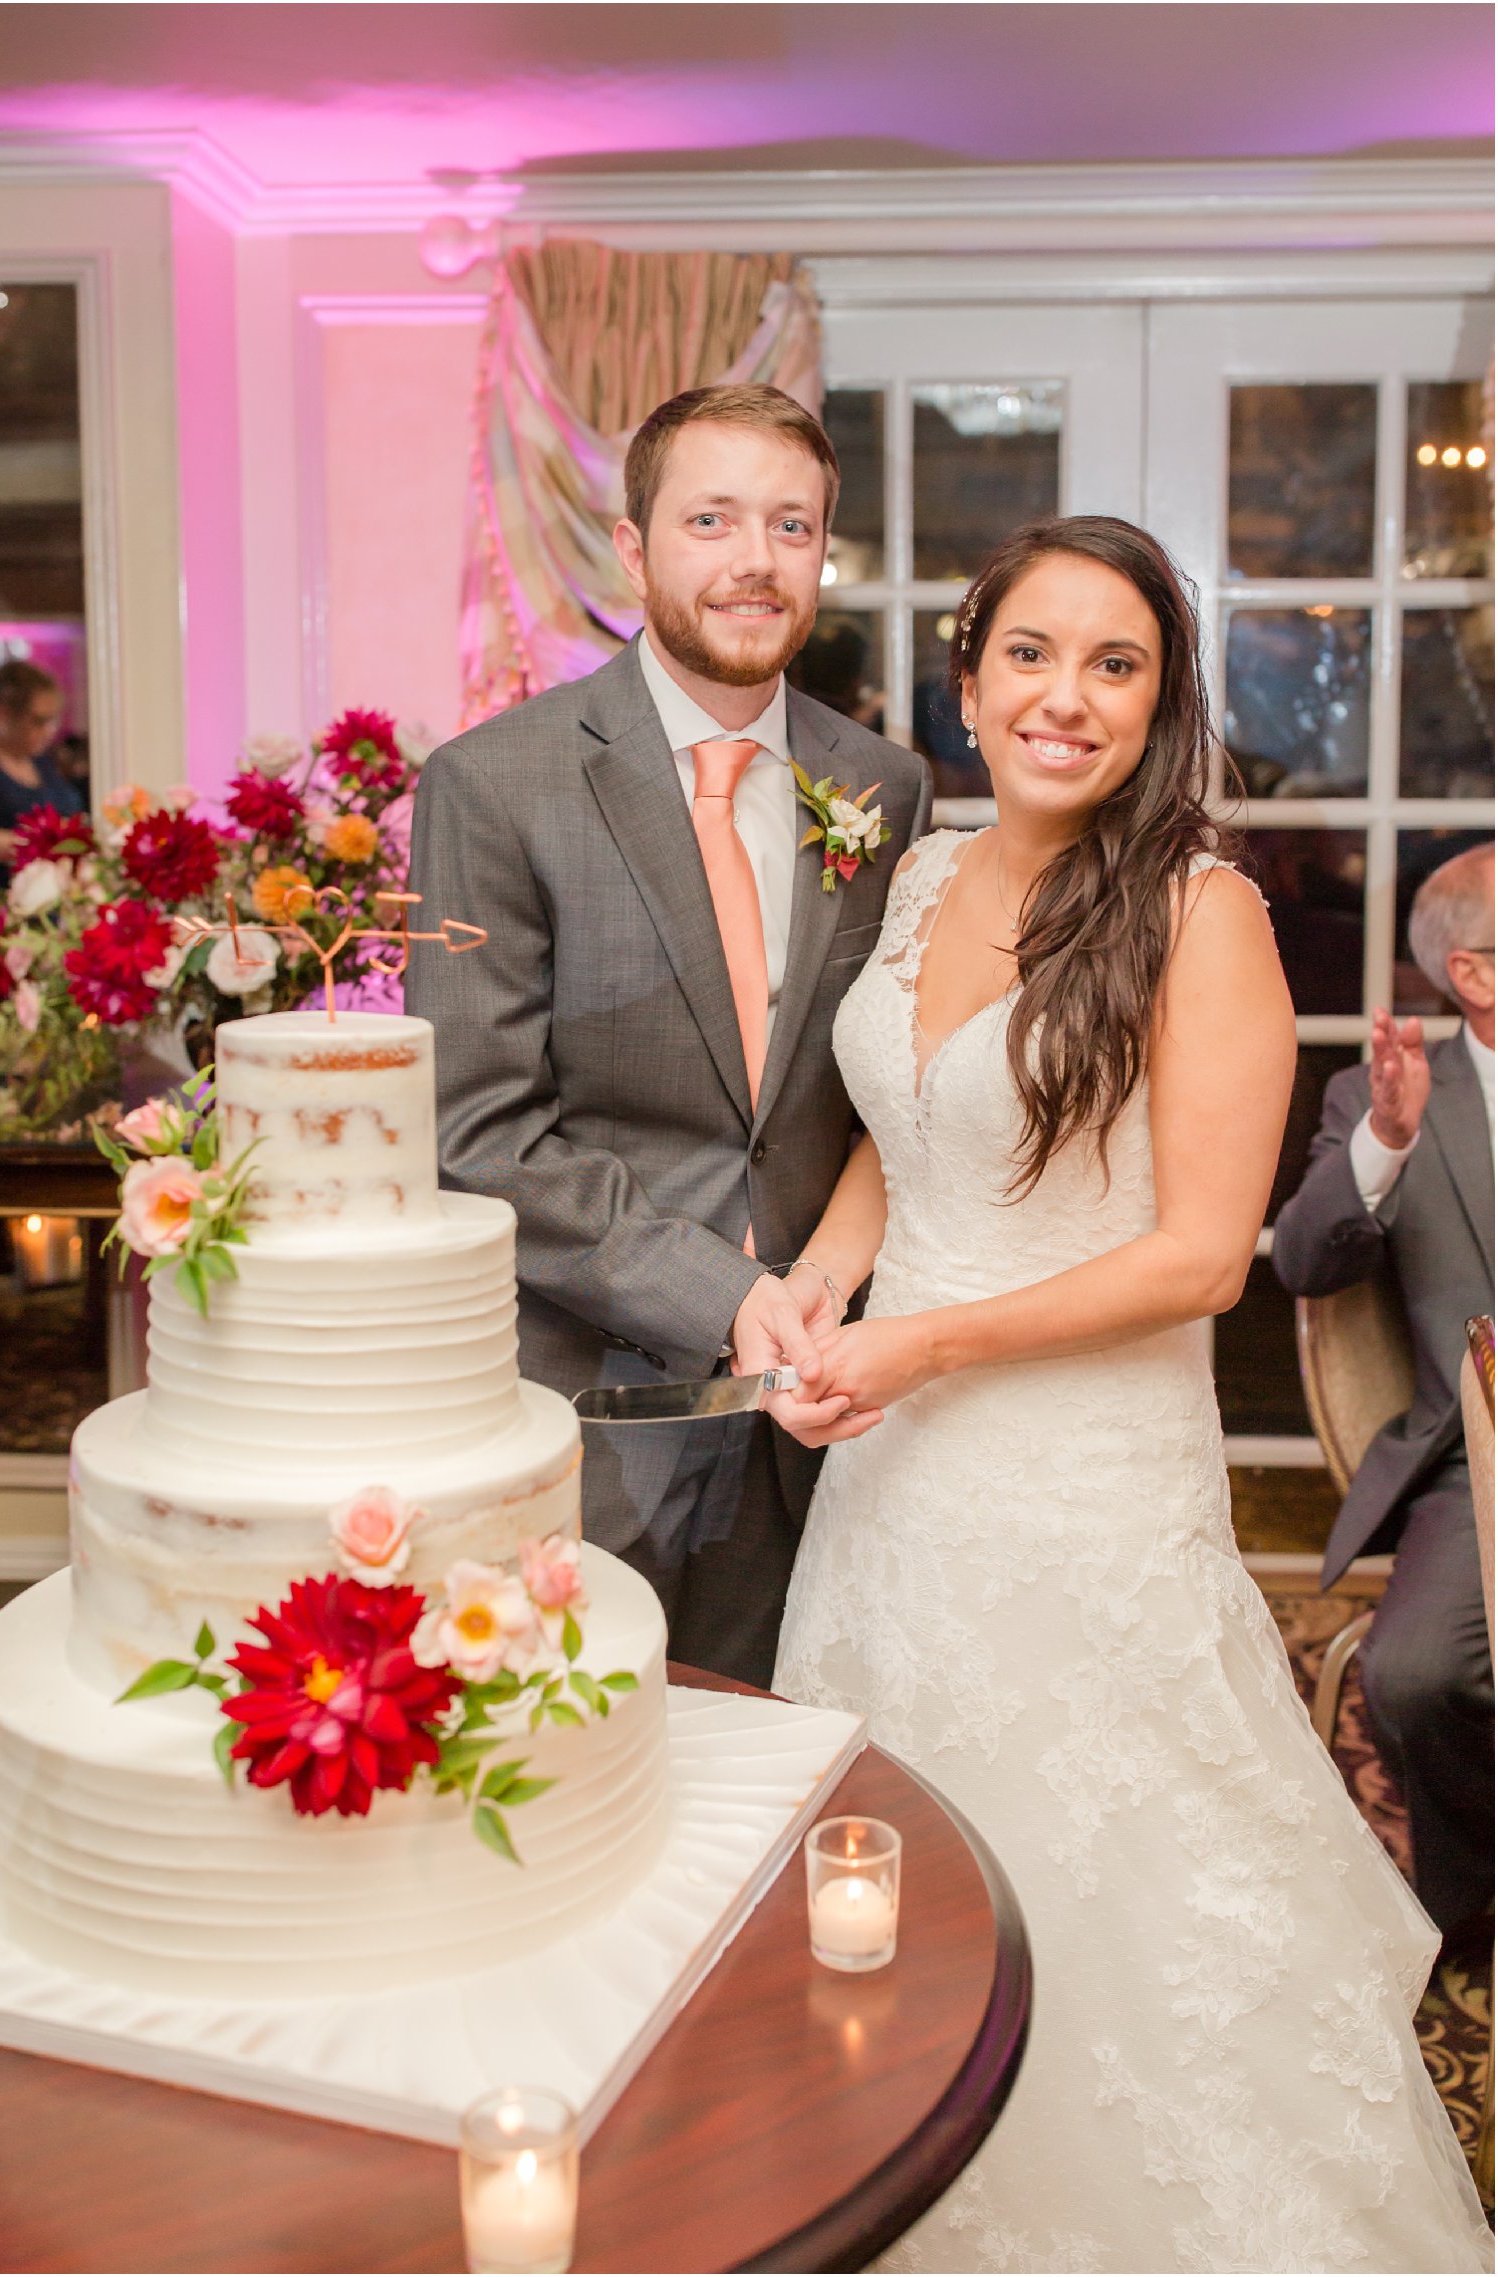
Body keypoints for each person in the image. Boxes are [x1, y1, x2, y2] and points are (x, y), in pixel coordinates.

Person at [771, 517, 1490, 2271]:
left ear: (1160, 705)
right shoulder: (925, 878)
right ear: (966, 677)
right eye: (1032, 654)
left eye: (1117, 666)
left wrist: (922, 1343)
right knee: (902, 1852)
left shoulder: (1201, 912)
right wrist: (823, 1277)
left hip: (1081, 1472)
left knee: (1114, 1878)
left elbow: (1200, 1260)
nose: (1066, 698)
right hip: (889, 1471)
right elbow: (905, 1132)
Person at [407, 383, 931, 1687]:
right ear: (635, 548)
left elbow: (893, 1090)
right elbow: (474, 1132)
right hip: (599, 1409)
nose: (757, 560)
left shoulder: (885, 785)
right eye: (714, 519)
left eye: (793, 526)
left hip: (835, 1405)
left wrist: (821, 1294)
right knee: (587, 1771)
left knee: (798, 1767)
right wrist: (724, 1294)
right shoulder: (494, 785)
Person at [1273, 843, 1494, 1955]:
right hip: (1474, 1465)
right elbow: (1303, 1262)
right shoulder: (1379, 1098)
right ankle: (1468, 1901)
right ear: (1474, 976)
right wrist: (1387, 1144)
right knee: (1411, 1677)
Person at [0, 659, 83, 890]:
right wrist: (35, 844)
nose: (49, 731)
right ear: (3, 714)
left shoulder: (43, 763)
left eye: (52, 721)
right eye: (39, 721)